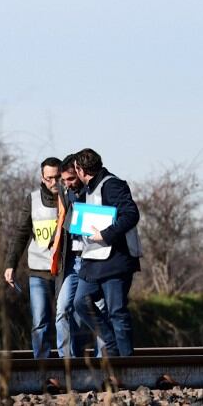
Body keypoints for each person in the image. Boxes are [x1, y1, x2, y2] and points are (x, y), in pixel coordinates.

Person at [72, 148, 142, 357]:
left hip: (116, 260)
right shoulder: (87, 190)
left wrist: (106, 234)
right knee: (80, 302)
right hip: (93, 261)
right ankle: (111, 345)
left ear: (80, 169)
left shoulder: (113, 185)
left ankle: (126, 365)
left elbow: (131, 214)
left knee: (117, 313)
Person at [3, 157, 67, 358]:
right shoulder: (32, 199)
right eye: (49, 178)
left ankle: (69, 363)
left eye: (58, 177)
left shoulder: (71, 197)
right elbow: (21, 233)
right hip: (39, 271)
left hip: (65, 270)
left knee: (65, 316)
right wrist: (10, 264)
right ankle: (42, 365)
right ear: (42, 177)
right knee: (40, 320)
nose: (54, 182)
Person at [53, 154, 96, 358]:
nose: (67, 184)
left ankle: (102, 356)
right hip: (73, 260)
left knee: (93, 311)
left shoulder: (94, 191)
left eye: (71, 179)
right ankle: (65, 360)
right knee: (62, 309)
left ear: (79, 173)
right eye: (64, 181)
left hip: (93, 259)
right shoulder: (64, 192)